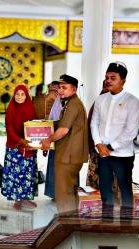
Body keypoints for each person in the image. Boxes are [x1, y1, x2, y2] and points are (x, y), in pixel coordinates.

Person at [90, 62, 139, 220]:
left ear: (123, 81)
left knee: (125, 190)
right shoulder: (101, 99)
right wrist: (98, 144)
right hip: (103, 153)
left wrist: (110, 147)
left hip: (123, 155)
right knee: (105, 190)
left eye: (113, 78)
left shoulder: (132, 101)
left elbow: (130, 131)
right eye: (107, 77)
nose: (108, 81)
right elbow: (94, 123)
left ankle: (126, 224)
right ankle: (107, 221)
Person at [40, 74, 88, 215]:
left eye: (64, 88)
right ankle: (72, 223)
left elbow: (63, 130)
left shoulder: (73, 105)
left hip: (68, 155)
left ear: (74, 89)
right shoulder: (67, 103)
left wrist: (47, 140)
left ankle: (66, 223)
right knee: (69, 190)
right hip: (67, 153)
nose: (60, 90)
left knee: (63, 192)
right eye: (59, 87)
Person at [1, 84, 38, 210]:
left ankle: (26, 198)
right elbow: (9, 129)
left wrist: (35, 142)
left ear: (26, 95)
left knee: (28, 173)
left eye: (22, 94)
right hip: (15, 147)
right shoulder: (11, 108)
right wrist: (20, 140)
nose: (20, 97)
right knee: (15, 174)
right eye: (17, 94)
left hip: (28, 146)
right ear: (14, 95)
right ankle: (17, 200)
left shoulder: (31, 108)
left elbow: (35, 127)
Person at [43, 81, 62, 200]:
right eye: (52, 91)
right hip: (53, 139)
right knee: (53, 166)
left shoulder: (66, 103)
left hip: (62, 140)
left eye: (56, 90)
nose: (54, 93)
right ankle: (54, 194)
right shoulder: (54, 102)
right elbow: (49, 121)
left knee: (61, 168)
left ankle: (60, 194)